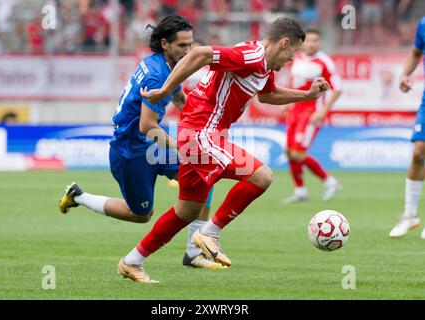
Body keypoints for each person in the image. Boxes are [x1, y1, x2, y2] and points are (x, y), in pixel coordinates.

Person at [119, 17, 330, 283]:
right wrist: (165, 90)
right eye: (292, 53)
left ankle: (131, 261)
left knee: (186, 212)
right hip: (201, 133)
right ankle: (210, 233)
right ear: (284, 43)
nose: (291, 60)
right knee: (262, 176)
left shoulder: (263, 66)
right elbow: (200, 53)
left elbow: (268, 95)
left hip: (204, 135)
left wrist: (307, 95)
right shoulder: (250, 55)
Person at [58, 15, 222, 270]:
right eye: (183, 46)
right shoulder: (157, 74)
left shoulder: (165, 64)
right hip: (130, 152)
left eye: (191, 45)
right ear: (165, 44)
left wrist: (202, 125)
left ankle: (193, 253)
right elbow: (147, 126)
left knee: (204, 176)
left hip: (150, 145)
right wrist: (183, 147)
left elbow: (179, 98)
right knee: (141, 215)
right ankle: (79, 196)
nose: (189, 51)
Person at [282, 29, 343, 203]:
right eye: (308, 40)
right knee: (289, 151)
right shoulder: (297, 57)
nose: (311, 44)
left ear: (320, 42)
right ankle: (300, 190)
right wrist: (286, 102)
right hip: (295, 110)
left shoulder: (325, 62)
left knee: (299, 154)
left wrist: (323, 111)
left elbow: (338, 89)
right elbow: (293, 82)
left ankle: (330, 181)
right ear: (302, 42)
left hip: (311, 111)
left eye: (315, 40)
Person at [389, 16, 425, 239]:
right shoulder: (423, 23)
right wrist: (405, 75)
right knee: (419, 152)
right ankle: (410, 215)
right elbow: (415, 52)